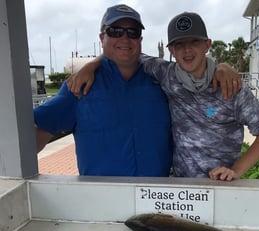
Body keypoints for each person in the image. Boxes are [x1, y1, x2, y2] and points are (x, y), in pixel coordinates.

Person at [35, 4, 241, 177]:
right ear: (101, 37)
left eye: (133, 33)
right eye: (115, 31)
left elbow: (194, 68)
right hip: (100, 204)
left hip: (158, 202)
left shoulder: (163, 81)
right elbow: (34, 137)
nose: (125, 39)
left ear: (140, 40)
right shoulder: (80, 87)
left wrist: (222, 67)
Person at [68, 11, 259, 181]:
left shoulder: (231, 86)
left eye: (194, 42)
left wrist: (237, 170)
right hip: (180, 189)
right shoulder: (166, 74)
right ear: (171, 50)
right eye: (179, 44)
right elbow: (124, 51)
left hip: (221, 186)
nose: (187, 50)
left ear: (207, 44)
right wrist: (91, 65)